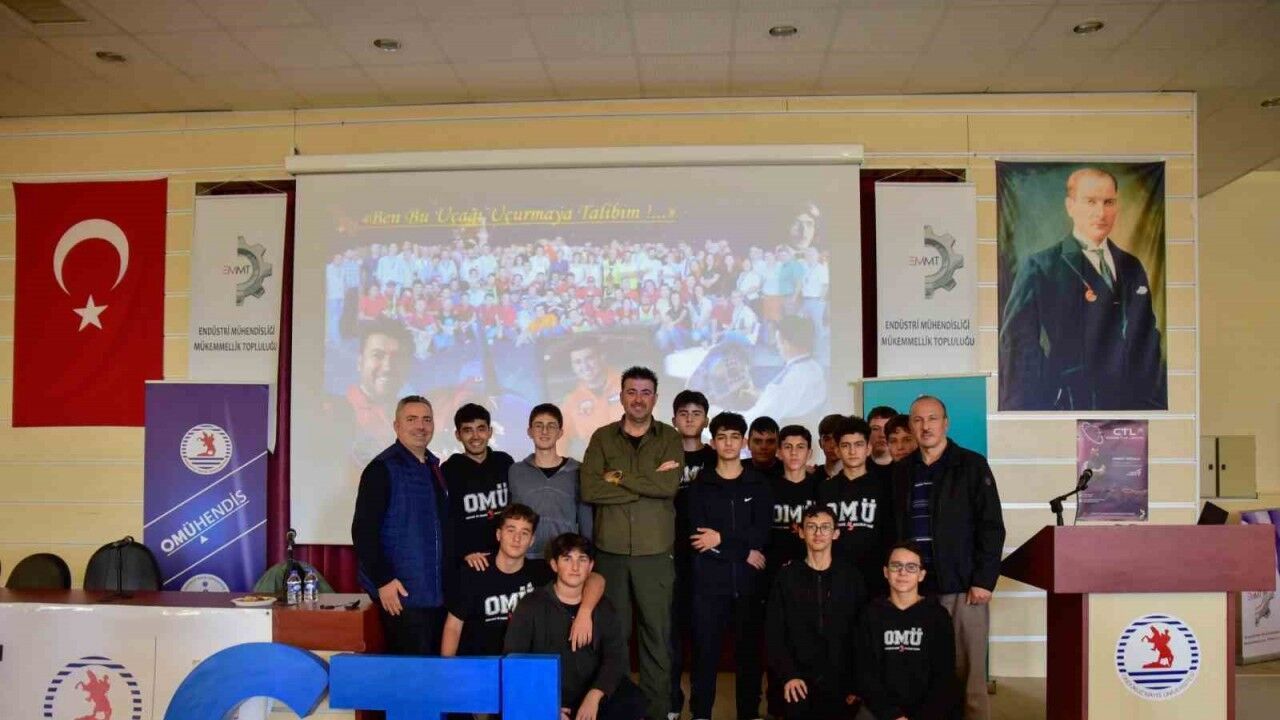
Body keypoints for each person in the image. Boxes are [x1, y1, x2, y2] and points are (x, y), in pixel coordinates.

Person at [999, 167, 1166, 410]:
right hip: (1072, 404)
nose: (1101, 213)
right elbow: (1017, 344)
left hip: (1132, 406)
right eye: (1090, 202)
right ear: (1070, 206)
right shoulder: (1041, 266)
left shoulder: (1131, 265)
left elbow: (1148, 336)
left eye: (1108, 202)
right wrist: (1044, 401)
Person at [890, 396, 1004, 720]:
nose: (925, 426)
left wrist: (983, 580)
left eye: (932, 419)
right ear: (911, 426)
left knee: (969, 680)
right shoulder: (901, 472)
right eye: (918, 420)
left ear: (946, 423)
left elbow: (992, 526)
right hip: (914, 591)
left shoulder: (971, 465)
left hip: (963, 589)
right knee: (923, 676)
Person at [581, 366, 684, 720]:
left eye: (645, 392)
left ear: (655, 398)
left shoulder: (669, 437)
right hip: (610, 553)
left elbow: (667, 487)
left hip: (655, 553)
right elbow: (590, 488)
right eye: (631, 391)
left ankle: (656, 713)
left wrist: (618, 477)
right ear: (621, 396)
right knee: (615, 637)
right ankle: (620, 712)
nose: (638, 399)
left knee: (656, 637)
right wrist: (645, 485)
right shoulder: (602, 437)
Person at [505, 534, 647, 720]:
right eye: (567, 559)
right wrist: (544, 703)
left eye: (582, 559)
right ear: (554, 565)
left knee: (633, 700)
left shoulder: (603, 606)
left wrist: (595, 694)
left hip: (590, 689)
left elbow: (615, 656)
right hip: (546, 690)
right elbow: (515, 659)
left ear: (591, 566)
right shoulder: (531, 604)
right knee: (515, 705)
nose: (575, 566)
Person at [687, 411, 772, 720]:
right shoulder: (700, 485)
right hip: (709, 587)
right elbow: (699, 539)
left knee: (749, 658)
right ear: (713, 442)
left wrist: (722, 539)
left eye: (735, 437)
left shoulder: (758, 484)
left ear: (744, 442)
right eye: (721, 437)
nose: (728, 443)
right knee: (705, 656)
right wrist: (742, 551)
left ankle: (749, 713)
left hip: (749, 586)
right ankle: (701, 714)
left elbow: (761, 534)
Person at [352, 395, 449, 655]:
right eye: (412, 419)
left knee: (434, 673)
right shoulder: (381, 469)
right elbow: (363, 532)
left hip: (436, 596)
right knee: (411, 673)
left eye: (426, 419)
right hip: (401, 596)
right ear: (396, 426)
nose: (420, 426)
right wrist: (383, 580)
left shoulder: (434, 468)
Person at [767, 505, 869, 720]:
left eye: (825, 527)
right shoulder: (786, 576)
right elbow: (774, 632)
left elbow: (863, 634)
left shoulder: (851, 577)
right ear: (801, 532)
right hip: (797, 681)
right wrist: (789, 675)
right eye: (811, 527)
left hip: (841, 682)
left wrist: (857, 683)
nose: (818, 533)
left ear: (836, 533)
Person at [856, 542, 959, 720]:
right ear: (886, 572)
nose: (903, 572)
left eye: (911, 567)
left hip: (929, 712)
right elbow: (865, 673)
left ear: (921, 575)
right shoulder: (870, 614)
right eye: (896, 566)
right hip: (882, 711)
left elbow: (944, 676)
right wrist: (893, 715)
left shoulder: (937, 616)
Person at [670, 389, 718, 720]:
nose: (689, 419)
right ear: (673, 420)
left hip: (708, 562)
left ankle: (701, 710)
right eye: (683, 413)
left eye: (696, 413)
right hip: (669, 559)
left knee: (705, 642)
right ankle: (672, 705)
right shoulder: (661, 456)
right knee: (670, 641)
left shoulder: (717, 459)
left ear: (706, 420)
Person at [819, 417, 894, 598]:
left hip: (876, 578)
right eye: (846, 445)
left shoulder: (884, 487)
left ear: (868, 448)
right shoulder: (825, 489)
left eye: (858, 445)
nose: (852, 451)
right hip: (835, 578)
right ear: (837, 450)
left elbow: (890, 534)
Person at [508, 403, 593, 560]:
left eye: (551, 426)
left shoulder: (578, 471)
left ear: (560, 432)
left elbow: (586, 522)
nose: (545, 431)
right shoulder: (515, 471)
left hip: (565, 560)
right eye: (538, 425)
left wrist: (587, 557)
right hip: (525, 559)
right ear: (529, 431)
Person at [442, 403, 514, 577]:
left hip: (506, 557)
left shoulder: (504, 462)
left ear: (490, 431)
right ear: (458, 435)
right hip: (469, 561)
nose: (475, 436)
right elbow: (446, 519)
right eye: (468, 430)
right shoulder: (449, 470)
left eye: (481, 429)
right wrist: (463, 552)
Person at [341, 318, 413, 473]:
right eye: (378, 355)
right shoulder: (335, 412)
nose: (388, 366)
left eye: (397, 357)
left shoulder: (413, 419)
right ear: (360, 362)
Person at [742, 315, 827, 424]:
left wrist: (722, 414)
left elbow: (754, 419)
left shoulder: (783, 383)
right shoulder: (816, 369)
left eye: (778, 342)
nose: (777, 347)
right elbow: (790, 400)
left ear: (786, 344)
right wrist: (763, 396)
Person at [560, 342, 623, 457]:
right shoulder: (572, 402)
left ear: (601, 357)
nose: (585, 366)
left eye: (589, 358)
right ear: (573, 367)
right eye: (578, 362)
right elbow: (559, 436)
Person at [817, 413, 846, 478]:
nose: (832, 445)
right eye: (827, 439)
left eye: (837, 438)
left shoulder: (857, 475)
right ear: (820, 443)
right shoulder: (812, 477)